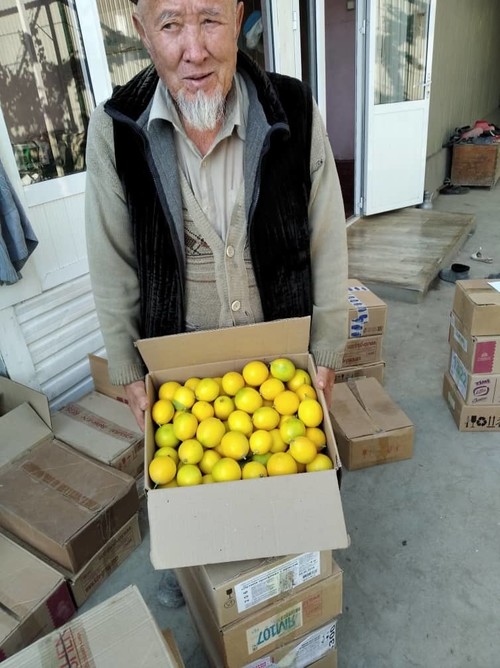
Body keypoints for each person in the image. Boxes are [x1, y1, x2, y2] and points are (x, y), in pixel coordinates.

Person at [85, 0, 348, 609]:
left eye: (210, 19)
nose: (194, 50)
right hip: (183, 371)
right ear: (142, 31)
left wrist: (329, 347)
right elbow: (111, 260)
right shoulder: (116, 129)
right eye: (171, 24)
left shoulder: (292, 109)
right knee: (194, 498)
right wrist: (127, 368)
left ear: (238, 16)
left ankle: (282, 572)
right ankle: (200, 574)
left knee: (288, 492)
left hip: (278, 370)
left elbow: (327, 237)